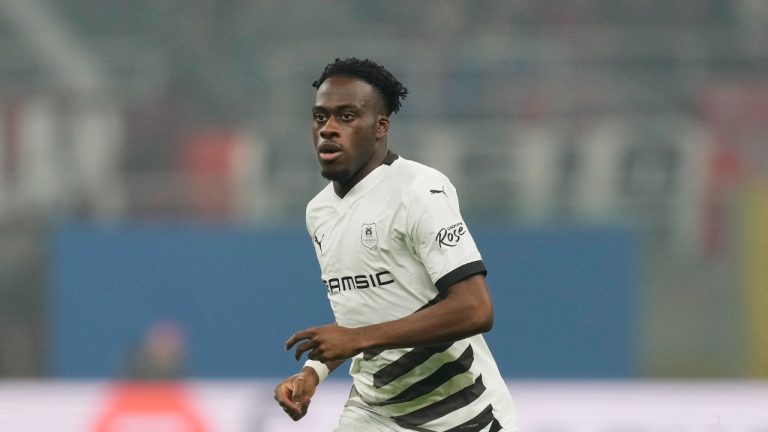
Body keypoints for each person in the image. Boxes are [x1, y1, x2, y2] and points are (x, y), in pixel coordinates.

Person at [274, 58, 518, 431]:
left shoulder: (419, 190)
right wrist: (314, 372)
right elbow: (360, 313)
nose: (329, 129)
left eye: (347, 116)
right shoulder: (319, 212)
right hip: (376, 413)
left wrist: (355, 339)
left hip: (465, 414)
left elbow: (475, 309)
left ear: (380, 127)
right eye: (321, 117)